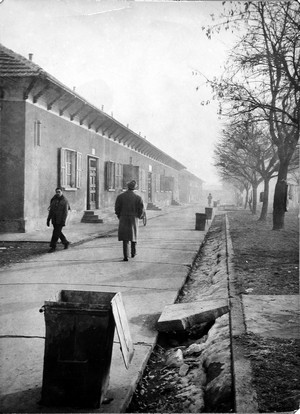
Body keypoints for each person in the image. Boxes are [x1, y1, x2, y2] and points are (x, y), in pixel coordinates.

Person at [115, 180, 144, 261]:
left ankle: (125, 256)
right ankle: (133, 253)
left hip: (123, 218)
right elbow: (141, 210)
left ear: (127, 187)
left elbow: (117, 209)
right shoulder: (138, 198)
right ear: (135, 188)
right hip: (134, 218)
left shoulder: (120, 197)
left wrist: (120, 216)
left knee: (125, 238)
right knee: (133, 236)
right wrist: (138, 216)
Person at [47, 187, 70, 253]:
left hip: (60, 220)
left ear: (62, 192)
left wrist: (63, 221)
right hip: (54, 219)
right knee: (58, 232)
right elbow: (51, 210)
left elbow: (65, 212)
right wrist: (48, 219)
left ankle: (53, 247)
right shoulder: (53, 200)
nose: (57, 193)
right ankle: (65, 242)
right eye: (56, 192)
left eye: (59, 192)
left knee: (55, 233)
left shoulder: (65, 201)